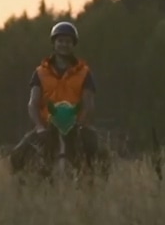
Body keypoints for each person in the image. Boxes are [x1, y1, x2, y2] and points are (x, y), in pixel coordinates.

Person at [14, 21, 100, 167]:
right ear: (54, 43)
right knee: (17, 155)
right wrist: (39, 126)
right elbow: (33, 104)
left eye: (68, 41)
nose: (64, 45)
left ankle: (97, 185)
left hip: (75, 127)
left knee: (100, 152)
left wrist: (81, 124)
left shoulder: (85, 73)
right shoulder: (40, 72)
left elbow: (88, 103)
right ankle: (21, 187)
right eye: (60, 41)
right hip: (48, 127)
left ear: (73, 45)